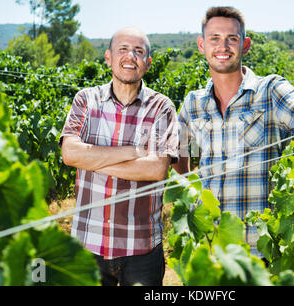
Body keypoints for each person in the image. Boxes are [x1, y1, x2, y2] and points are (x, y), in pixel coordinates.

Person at [173, 7, 294, 257]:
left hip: (260, 252)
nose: (223, 46)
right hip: (210, 250)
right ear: (201, 45)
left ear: (246, 45)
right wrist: (191, 189)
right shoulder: (193, 103)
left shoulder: (270, 91)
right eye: (214, 38)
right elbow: (178, 151)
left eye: (233, 38)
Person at [59, 27, 179, 286]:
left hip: (142, 251)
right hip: (87, 245)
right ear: (108, 57)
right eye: (122, 49)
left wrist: (91, 158)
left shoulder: (162, 107)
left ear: (147, 63)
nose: (130, 56)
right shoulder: (85, 101)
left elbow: (156, 170)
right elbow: (69, 154)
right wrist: (133, 152)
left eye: (139, 51)